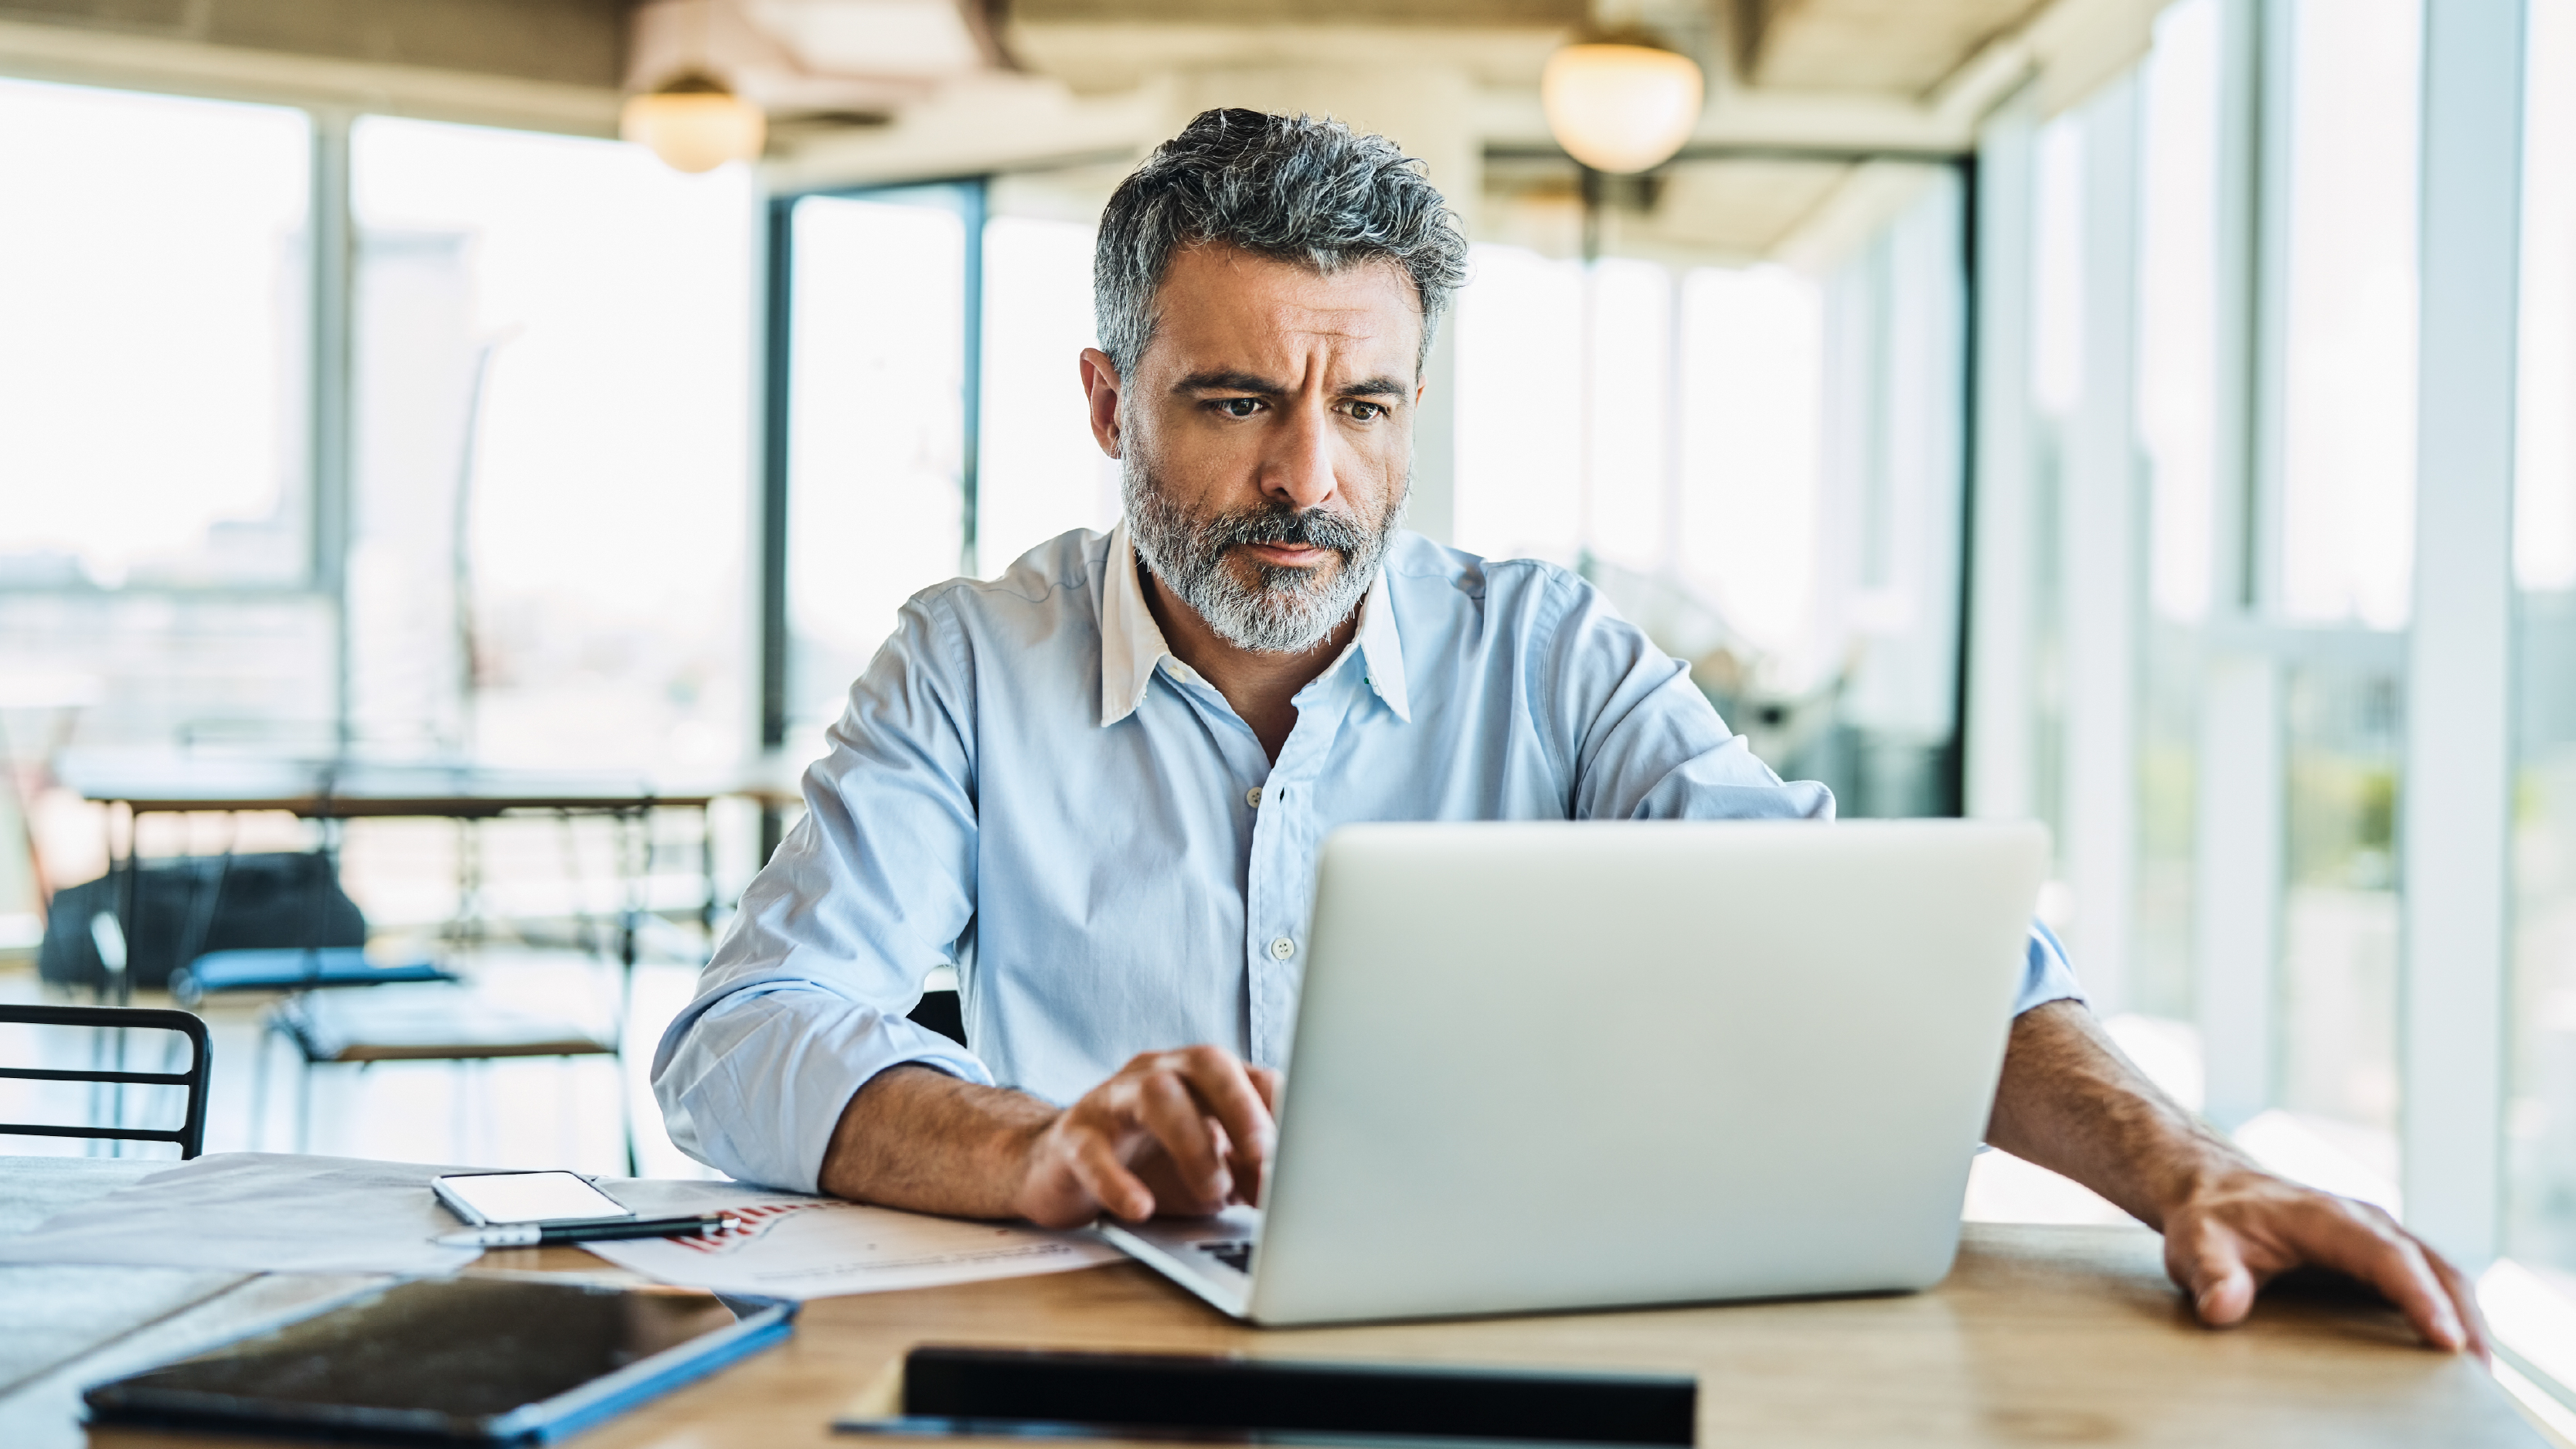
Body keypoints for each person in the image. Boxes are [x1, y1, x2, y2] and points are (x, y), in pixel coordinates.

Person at [654, 107, 2482, 1354]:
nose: (1309, 473)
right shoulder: (972, 661)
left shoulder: (1551, 653)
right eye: (1231, 401)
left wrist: (2190, 1165)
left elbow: (1878, 956)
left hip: (1519, 1354)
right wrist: (1035, 1145)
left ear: (1415, 398)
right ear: (1102, 398)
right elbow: (740, 1041)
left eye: (1364, 402)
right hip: (1094, 1364)